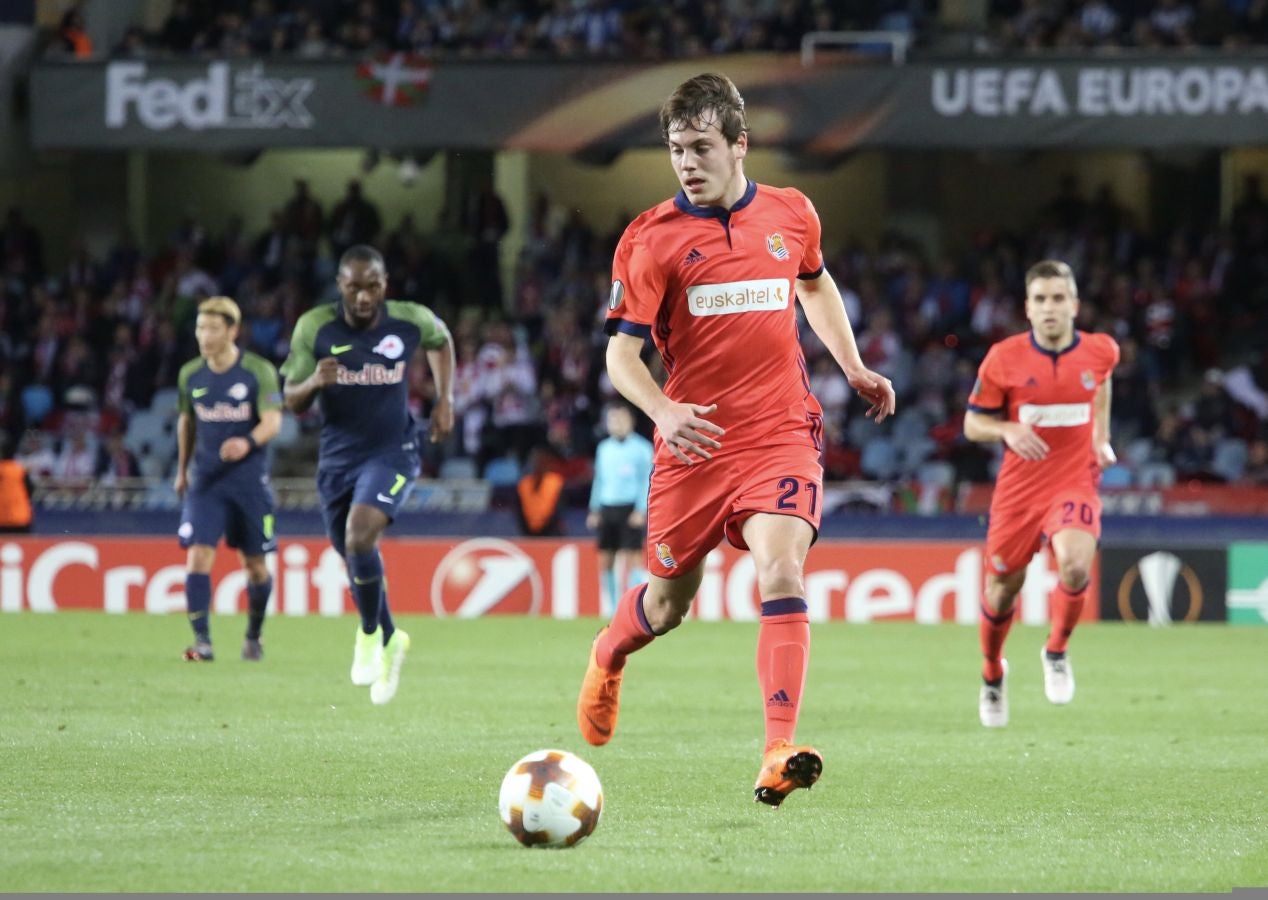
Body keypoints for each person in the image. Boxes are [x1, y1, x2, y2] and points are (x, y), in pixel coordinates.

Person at [576, 73, 896, 807]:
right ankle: (607, 652)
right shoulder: (651, 240)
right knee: (665, 608)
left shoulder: (791, 213)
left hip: (781, 431)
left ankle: (778, 748)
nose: (687, 163)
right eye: (675, 150)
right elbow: (620, 357)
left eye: (700, 147)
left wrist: (851, 365)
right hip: (693, 445)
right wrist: (664, 412)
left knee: (782, 572)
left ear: (739, 145)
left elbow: (813, 284)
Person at [280, 244, 455, 705]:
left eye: (372, 286)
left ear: (384, 285)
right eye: (354, 286)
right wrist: (314, 382)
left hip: (394, 450)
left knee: (359, 538)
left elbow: (442, 341)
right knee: (352, 552)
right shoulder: (314, 327)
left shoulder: (408, 319)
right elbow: (290, 399)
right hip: (338, 459)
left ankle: (368, 634)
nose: (363, 296)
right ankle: (393, 638)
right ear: (340, 285)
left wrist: (445, 399)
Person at [964, 259, 1119, 728]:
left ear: (1074, 304)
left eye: (1058, 298)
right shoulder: (1003, 358)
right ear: (1027, 309)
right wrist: (1007, 428)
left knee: (1074, 564)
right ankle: (993, 674)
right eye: (1040, 300)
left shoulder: (1101, 351)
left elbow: (1102, 388)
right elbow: (972, 424)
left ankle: (1056, 650)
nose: (1050, 308)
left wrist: (1100, 439)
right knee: (1002, 589)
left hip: (1074, 480)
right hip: (1020, 489)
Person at [174, 297, 282, 662]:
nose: (205, 336)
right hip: (205, 482)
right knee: (198, 555)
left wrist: (247, 441)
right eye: (200, 328)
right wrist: (181, 470)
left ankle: (254, 635)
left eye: (213, 329)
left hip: (249, 483)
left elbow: (273, 420)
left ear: (232, 331)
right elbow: (187, 422)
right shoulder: (190, 374)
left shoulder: (258, 371)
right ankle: (202, 641)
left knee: (255, 566)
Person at [587, 403, 653, 616]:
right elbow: (599, 480)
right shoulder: (603, 448)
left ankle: (635, 606)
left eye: (620, 419)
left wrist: (641, 510)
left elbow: (647, 481)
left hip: (630, 508)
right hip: (607, 506)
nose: (616, 424)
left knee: (633, 557)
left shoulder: (643, 448)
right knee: (606, 558)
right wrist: (594, 508)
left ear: (631, 421)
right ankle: (613, 608)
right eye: (612, 420)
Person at [515, 446, 565, 536]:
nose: (537, 463)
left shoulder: (556, 482)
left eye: (541, 460)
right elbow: (519, 511)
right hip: (528, 533)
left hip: (552, 534)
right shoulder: (524, 484)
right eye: (534, 460)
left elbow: (558, 511)